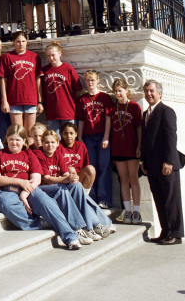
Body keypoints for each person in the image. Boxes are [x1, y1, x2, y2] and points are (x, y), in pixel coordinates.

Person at [0, 125, 84, 250]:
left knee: (46, 202)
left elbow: (37, 178)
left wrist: (24, 193)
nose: (14, 143)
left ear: (24, 141)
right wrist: (20, 182)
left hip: (29, 189)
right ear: (6, 139)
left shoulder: (29, 154)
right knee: (6, 204)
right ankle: (40, 222)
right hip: (6, 191)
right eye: (11, 139)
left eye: (18, 140)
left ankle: (71, 237)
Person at [38, 129, 112, 241]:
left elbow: (66, 174)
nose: (50, 145)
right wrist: (66, 179)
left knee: (77, 186)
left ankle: (89, 227)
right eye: (47, 142)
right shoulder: (38, 154)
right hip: (45, 189)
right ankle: (91, 225)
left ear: (58, 143)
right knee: (66, 189)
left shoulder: (58, 153)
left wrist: (72, 178)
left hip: (58, 186)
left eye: (53, 142)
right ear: (42, 143)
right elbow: (46, 179)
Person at [141, 79, 184, 244]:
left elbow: (171, 138)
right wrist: (144, 161)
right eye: (146, 91)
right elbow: (146, 140)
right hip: (151, 165)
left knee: (171, 200)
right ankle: (165, 231)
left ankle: (175, 233)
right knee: (159, 199)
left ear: (160, 93)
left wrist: (168, 161)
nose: (148, 94)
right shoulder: (146, 114)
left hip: (166, 165)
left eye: (151, 91)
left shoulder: (166, 111)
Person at [77, 69, 113, 208]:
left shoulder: (104, 98)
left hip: (102, 136)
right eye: (88, 80)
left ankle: (104, 199)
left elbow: (108, 118)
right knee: (91, 167)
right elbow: (80, 119)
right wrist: (80, 137)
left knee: (104, 167)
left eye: (92, 80)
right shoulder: (82, 99)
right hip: (88, 137)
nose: (90, 83)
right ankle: (91, 198)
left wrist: (106, 136)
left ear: (98, 80)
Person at [111, 78, 142, 224]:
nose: (118, 94)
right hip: (118, 148)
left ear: (127, 91)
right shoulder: (112, 108)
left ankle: (137, 211)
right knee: (123, 179)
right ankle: (127, 211)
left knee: (133, 178)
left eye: (120, 91)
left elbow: (139, 128)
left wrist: (139, 146)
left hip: (132, 148)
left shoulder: (134, 107)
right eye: (115, 91)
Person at [0, 30, 43, 132]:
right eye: (18, 41)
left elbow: (38, 80)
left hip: (31, 99)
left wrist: (40, 101)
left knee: (30, 132)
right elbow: (3, 80)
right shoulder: (8, 57)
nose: (21, 44)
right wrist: (4, 101)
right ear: (13, 42)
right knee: (18, 132)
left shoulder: (34, 57)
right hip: (14, 99)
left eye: (23, 41)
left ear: (27, 42)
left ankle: (30, 149)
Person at [42, 41, 82, 134]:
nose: (51, 58)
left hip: (68, 111)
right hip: (52, 112)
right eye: (48, 56)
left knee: (70, 138)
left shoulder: (68, 68)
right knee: (54, 139)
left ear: (60, 53)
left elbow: (78, 90)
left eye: (53, 55)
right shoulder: (45, 71)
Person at [59, 121, 96, 193]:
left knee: (91, 169)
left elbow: (85, 165)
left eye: (71, 133)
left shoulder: (81, 145)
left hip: (78, 177)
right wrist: (68, 169)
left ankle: (84, 197)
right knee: (71, 169)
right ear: (62, 135)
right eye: (66, 133)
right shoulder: (58, 145)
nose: (69, 136)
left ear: (76, 134)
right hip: (63, 177)